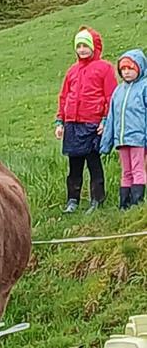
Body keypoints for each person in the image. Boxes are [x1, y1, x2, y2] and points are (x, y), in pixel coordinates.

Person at [54, 27, 118, 213]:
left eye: (85, 45)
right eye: (79, 46)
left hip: (92, 124)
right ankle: (72, 200)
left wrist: (105, 120)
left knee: (93, 164)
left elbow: (110, 96)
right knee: (74, 166)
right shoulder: (72, 71)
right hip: (72, 124)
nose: (82, 49)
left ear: (94, 46)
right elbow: (64, 97)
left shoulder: (104, 68)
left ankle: (97, 199)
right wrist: (60, 121)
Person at [100, 49, 147, 209]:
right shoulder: (118, 91)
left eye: (130, 69)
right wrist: (105, 143)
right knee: (126, 171)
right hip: (121, 139)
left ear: (139, 68)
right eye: (123, 69)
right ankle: (124, 204)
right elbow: (111, 118)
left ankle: (137, 202)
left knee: (137, 169)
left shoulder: (144, 88)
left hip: (138, 138)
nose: (126, 72)